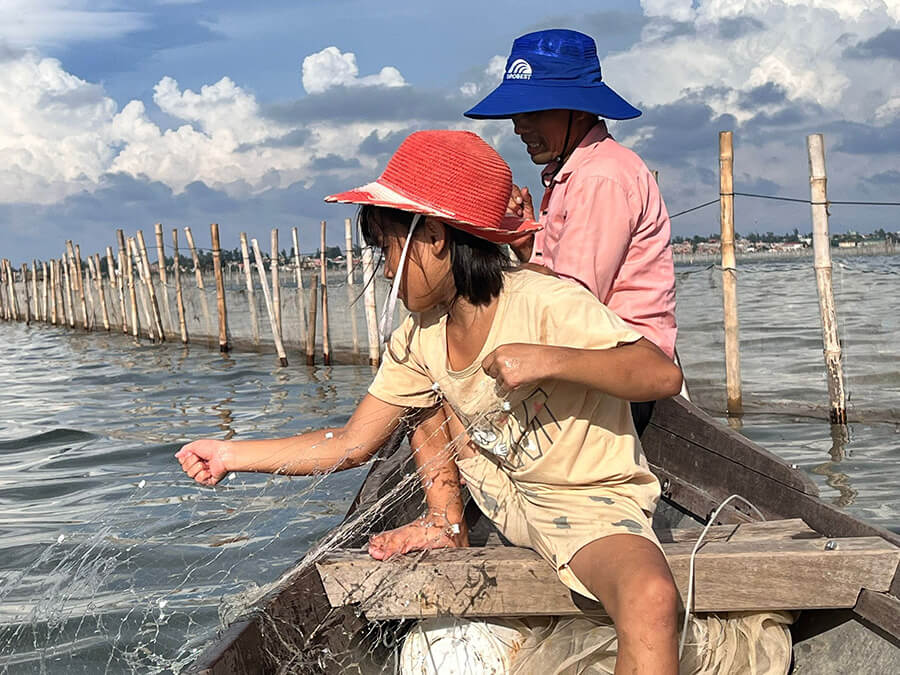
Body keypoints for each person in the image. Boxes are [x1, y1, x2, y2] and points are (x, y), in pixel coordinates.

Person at [176, 130, 682, 673]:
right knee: (419, 393)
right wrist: (231, 455)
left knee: (650, 598)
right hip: (504, 498)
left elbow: (659, 374)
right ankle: (444, 522)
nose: (388, 271)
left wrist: (551, 359)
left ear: (435, 236)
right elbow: (351, 443)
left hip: (587, 505)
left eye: (390, 250)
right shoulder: (418, 336)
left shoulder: (547, 300)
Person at [465, 28, 678, 435]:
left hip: (621, 371)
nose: (519, 127)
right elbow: (562, 288)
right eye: (517, 114)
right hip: (590, 358)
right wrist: (527, 247)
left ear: (577, 111)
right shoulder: (573, 174)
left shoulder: (601, 177)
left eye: (532, 113)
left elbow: (574, 302)